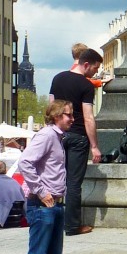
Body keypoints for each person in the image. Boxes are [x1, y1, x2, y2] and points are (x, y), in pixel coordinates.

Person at [17, 99, 78, 254]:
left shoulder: (58, 138)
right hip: (42, 206)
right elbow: (25, 163)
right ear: (55, 116)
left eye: (71, 115)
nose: (72, 118)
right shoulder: (46, 136)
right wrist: (41, 191)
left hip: (56, 205)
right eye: (68, 115)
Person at [49, 46, 102, 236]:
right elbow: (88, 117)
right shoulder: (86, 85)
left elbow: (51, 107)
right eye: (95, 68)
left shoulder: (57, 78)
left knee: (55, 177)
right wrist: (95, 146)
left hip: (58, 135)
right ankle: (72, 226)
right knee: (73, 183)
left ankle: (52, 221)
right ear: (86, 64)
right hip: (78, 136)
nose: (95, 72)